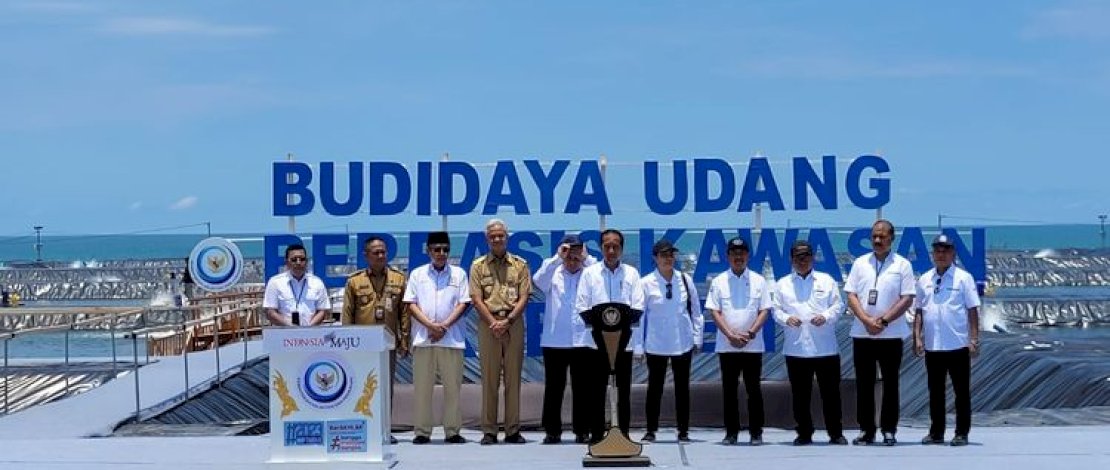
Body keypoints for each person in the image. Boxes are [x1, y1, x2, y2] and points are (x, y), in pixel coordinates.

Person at [844, 219, 915, 446]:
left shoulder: (902, 265)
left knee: (890, 384)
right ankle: (866, 430)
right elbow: (851, 295)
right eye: (874, 236)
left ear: (891, 238)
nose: (877, 240)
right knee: (864, 384)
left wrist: (883, 321)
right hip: (862, 333)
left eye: (882, 236)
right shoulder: (860, 263)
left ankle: (889, 429)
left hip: (891, 335)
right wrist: (866, 320)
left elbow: (907, 298)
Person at [773, 240, 847, 446]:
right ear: (791, 259)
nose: (802, 260)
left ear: (812, 257)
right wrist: (786, 319)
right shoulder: (783, 284)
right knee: (800, 396)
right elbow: (775, 310)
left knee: (831, 394)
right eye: (798, 257)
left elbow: (838, 306)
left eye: (806, 256)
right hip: (796, 348)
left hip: (825, 348)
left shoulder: (826, 280)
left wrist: (825, 316)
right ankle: (804, 433)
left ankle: (836, 433)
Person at [573, 228, 643, 440]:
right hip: (597, 345)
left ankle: (623, 435)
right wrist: (600, 328)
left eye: (616, 246)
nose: (611, 250)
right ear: (601, 247)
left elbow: (638, 306)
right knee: (596, 392)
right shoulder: (590, 273)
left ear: (622, 248)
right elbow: (582, 305)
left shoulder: (631, 273)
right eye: (607, 246)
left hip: (624, 344)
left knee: (623, 393)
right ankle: (596, 436)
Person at [341, 236, 410, 445]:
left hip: (387, 343)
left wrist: (404, 339)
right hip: (361, 345)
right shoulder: (354, 281)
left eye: (383, 252)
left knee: (385, 388)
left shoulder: (398, 279)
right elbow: (347, 314)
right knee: (360, 387)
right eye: (376, 252)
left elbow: (404, 313)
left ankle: (384, 430)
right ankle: (362, 428)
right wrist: (347, 342)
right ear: (366, 256)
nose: (381, 256)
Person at [403, 232, 471, 445]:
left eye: (445, 249)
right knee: (422, 388)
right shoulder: (417, 274)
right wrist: (431, 326)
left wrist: (444, 326)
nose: (441, 253)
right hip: (424, 339)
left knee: (453, 388)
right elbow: (411, 303)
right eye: (437, 249)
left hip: (452, 339)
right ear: (428, 251)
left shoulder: (459, 274)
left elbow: (463, 303)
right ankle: (422, 431)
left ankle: (452, 431)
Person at [470, 219, 533, 445]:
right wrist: (493, 322)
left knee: (514, 378)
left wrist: (507, 321)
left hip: (513, 322)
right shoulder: (478, 266)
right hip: (488, 324)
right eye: (493, 236)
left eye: (501, 236)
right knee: (489, 379)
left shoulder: (520, 265)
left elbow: (525, 295)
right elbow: (476, 299)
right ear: (487, 239)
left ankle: (512, 429)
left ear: (507, 238)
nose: (497, 239)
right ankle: (489, 430)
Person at [914, 234, 981, 447]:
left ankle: (962, 432)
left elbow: (972, 310)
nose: (941, 254)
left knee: (961, 392)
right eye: (937, 250)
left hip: (958, 345)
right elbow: (919, 311)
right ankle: (936, 432)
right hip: (934, 345)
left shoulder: (963, 278)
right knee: (935, 392)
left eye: (946, 250)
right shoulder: (925, 279)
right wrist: (917, 336)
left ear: (953, 253)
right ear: (933, 254)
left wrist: (973, 339)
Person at [705, 236, 771, 446]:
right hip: (727, 345)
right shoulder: (718, 281)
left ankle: (756, 433)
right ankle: (731, 433)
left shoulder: (759, 280)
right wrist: (730, 335)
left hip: (753, 345)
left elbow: (764, 310)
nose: (738, 257)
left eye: (742, 253)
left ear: (748, 255)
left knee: (754, 390)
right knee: (729, 391)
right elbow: (714, 311)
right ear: (728, 256)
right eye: (734, 253)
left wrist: (750, 333)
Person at [532, 233, 597, 444]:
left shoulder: (589, 273)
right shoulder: (553, 271)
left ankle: (582, 430)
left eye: (576, 253)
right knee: (554, 387)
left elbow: (598, 272)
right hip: (555, 340)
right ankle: (552, 431)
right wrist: (557, 258)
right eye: (568, 253)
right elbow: (537, 281)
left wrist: (585, 258)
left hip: (582, 339)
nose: (572, 259)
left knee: (583, 387)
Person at [637, 239, 703, 443]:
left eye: (671, 255)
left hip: (682, 342)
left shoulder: (684, 279)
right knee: (654, 389)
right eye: (664, 255)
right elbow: (639, 317)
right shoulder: (645, 283)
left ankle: (683, 430)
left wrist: (697, 338)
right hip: (656, 344)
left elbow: (696, 312)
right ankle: (651, 429)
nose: (668, 259)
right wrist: (638, 346)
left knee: (682, 389)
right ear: (655, 258)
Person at [263, 243, 331, 326]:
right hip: (283, 334)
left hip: (311, 334)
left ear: (307, 261)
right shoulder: (275, 282)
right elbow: (270, 312)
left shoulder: (317, 282)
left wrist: (308, 329)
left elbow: (322, 311)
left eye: (302, 259)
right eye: (294, 259)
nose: (298, 262)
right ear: (287, 262)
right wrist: (291, 329)